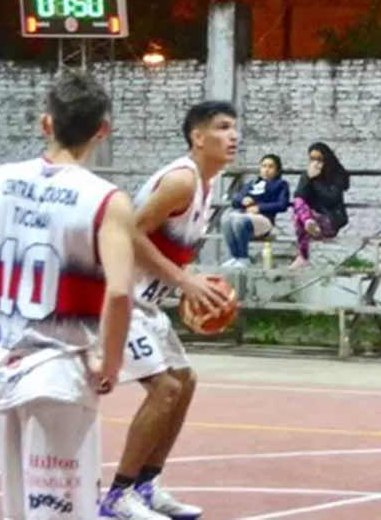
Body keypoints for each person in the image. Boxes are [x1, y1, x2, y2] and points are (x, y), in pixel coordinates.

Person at [0, 71, 136, 520]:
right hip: (61, 374)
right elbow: (119, 292)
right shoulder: (106, 201)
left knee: (18, 510)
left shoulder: (1, 180)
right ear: (102, 130)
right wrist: (109, 365)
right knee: (63, 511)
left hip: (2, 370)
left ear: (45, 123)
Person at [104, 101, 237, 520]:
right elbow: (127, 231)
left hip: (147, 301)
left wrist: (191, 281)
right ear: (199, 137)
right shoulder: (181, 180)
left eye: (235, 128)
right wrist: (183, 281)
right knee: (166, 389)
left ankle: (146, 485)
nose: (234, 136)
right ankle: (117, 497)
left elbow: (166, 248)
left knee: (185, 379)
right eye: (223, 127)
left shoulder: (206, 186)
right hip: (116, 293)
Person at [219, 154, 291, 267]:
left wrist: (259, 207)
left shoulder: (281, 184)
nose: (266, 170)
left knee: (239, 220)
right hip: (246, 216)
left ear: (277, 170)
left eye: (270, 167)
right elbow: (235, 200)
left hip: (265, 220)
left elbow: (282, 205)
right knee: (225, 219)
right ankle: (234, 256)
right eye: (264, 166)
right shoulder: (253, 183)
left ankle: (244, 258)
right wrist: (242, 200)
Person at [290, 143, 350, 269]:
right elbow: (299, 196)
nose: (316, 163)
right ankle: (308, 223)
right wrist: (307, 178)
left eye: (319, 159)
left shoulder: (337, 175)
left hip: (330, 220)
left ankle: (302, 256)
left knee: (301, 218)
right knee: (299, 204)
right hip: (311, 221)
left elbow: (331, 199)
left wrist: (315, 181)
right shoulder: (307, 174)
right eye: (312, 159)